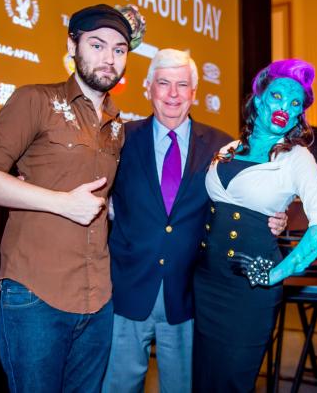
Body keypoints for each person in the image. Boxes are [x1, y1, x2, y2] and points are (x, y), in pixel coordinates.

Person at [0, 4, 145, 392]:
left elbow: (102, 197)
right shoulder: (35, 100)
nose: (108, 58)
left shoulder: (117, 127)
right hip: (36, 294)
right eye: (97, 45)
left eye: (118, 49)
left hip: (98, 297)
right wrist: (62, 202)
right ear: (73, 45)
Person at [101, 49, 288, 393]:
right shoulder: (119, 139)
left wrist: (277, 218)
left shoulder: (225, 147)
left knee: (185, 388)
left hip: (190, 292)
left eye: (182, 85)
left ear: (194, 93)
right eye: (164, 84)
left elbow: (252, 198)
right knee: (117, 386)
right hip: (127, 286)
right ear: (148, 89)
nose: (173, 94)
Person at [192, 59, 317, 392]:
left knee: (233, 381)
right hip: (206, 283)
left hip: (249, 292)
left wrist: (276, 273)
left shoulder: (295, 157)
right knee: (203, 380)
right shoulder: (227, 150)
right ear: (258, 99)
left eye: (295, 104)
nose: (284, 108)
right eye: (277, 97)